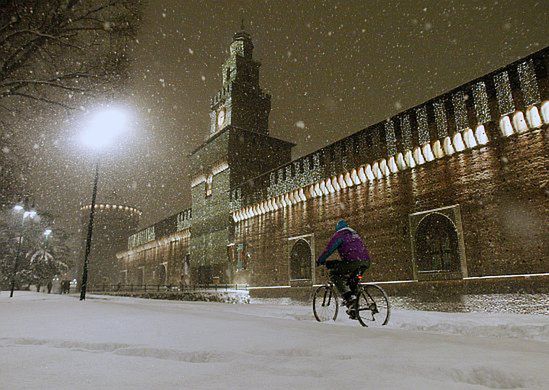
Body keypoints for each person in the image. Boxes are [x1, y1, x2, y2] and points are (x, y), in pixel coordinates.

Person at [316, 219, 371, 318]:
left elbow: (329, 250)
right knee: (353, 281)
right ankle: (354, 306)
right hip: (365, 262)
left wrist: (320, 260)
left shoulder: (339, 235)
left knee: (334, 274)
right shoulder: (355, 234)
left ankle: (349, 299)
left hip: (352, 262)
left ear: (337, 229)